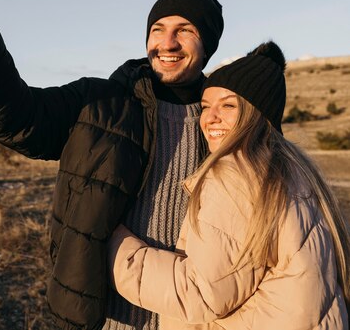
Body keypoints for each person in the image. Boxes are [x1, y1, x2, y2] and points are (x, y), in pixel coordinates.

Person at [0, 0, 224, 330]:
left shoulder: (228, 122)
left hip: (196, 318)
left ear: (208, 43)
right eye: (158, 29)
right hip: (109, 317)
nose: (167, 43)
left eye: (184, 30)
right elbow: (22, 119)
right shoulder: (99, 102)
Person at [108, 42, 350, 329]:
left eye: (228, 105)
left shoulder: (235, 172)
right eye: (206, 106)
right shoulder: (295, 171)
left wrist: (113, 243)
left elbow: (199, 293)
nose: (209, 118)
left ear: (256, 113)